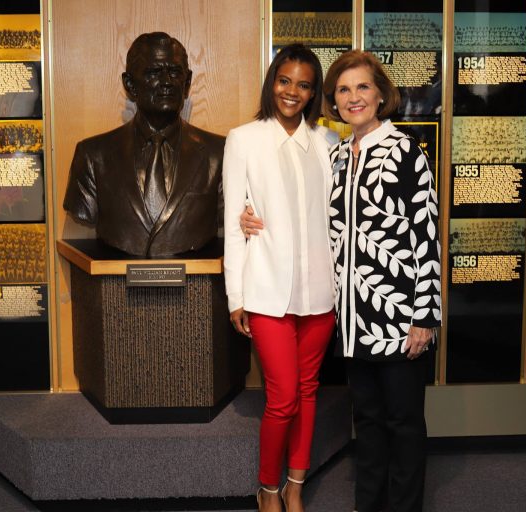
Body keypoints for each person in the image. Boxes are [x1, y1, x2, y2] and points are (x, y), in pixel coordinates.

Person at [242, 50, 441, 512]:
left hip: (400, 317)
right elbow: (299, 208)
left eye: (363, 87)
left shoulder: (406, 152)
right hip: (353, 321)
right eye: (344, 90)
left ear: (380, 94)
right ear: (334, 100)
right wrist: (246, 215)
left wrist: (424, 316)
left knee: (404, 424)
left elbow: (427, 236)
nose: (354, 98)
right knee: (367, 423)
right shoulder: (335, 157)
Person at [223, 44, 338, 512]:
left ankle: (296, 484)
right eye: (285, 80)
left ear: (314, 92)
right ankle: (267, 488)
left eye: (304, 85)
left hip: (321, 293)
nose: (292, 91)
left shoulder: (328, 142)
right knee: (283, 397)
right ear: (272, 82)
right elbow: (234, 223)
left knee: (308, 392)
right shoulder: (244, 139)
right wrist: (235, 296)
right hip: (267, 291)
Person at [64, 32, 224, 257]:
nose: (167, 82)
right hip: (116, 274)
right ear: (130, 84)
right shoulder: (92, 156)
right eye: (154, 73)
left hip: (196, 273)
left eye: (175, 72)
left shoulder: (220, 154)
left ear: (187, 82)